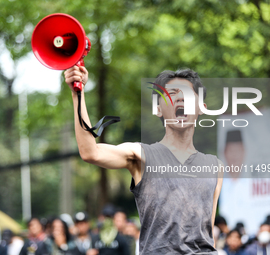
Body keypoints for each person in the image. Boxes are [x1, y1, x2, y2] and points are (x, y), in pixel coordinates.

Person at [64, 66, 223, 254]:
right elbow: (91, 153)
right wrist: (78, 92)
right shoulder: (141, 155)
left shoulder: (214, 167)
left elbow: (207, 232)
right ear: (159, 109)